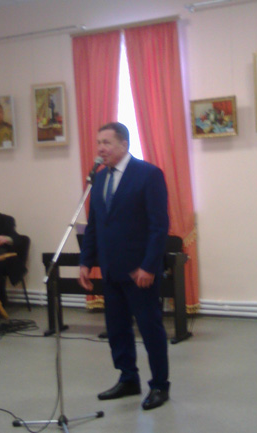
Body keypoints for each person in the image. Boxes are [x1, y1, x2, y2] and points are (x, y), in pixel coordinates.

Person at [79, 122, 170, 411]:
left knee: (150, 329)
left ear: (124, 144)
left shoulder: (148, 174)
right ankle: (128, 378)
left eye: (106, 142)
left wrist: (149, 266)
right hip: (111, 270)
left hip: (139, 272)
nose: (100, 148)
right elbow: (94, 226)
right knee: (117, 329)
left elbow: (159, 226)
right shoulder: (99, 179)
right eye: (98, 143)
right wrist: (85, 262)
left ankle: (160, 385)